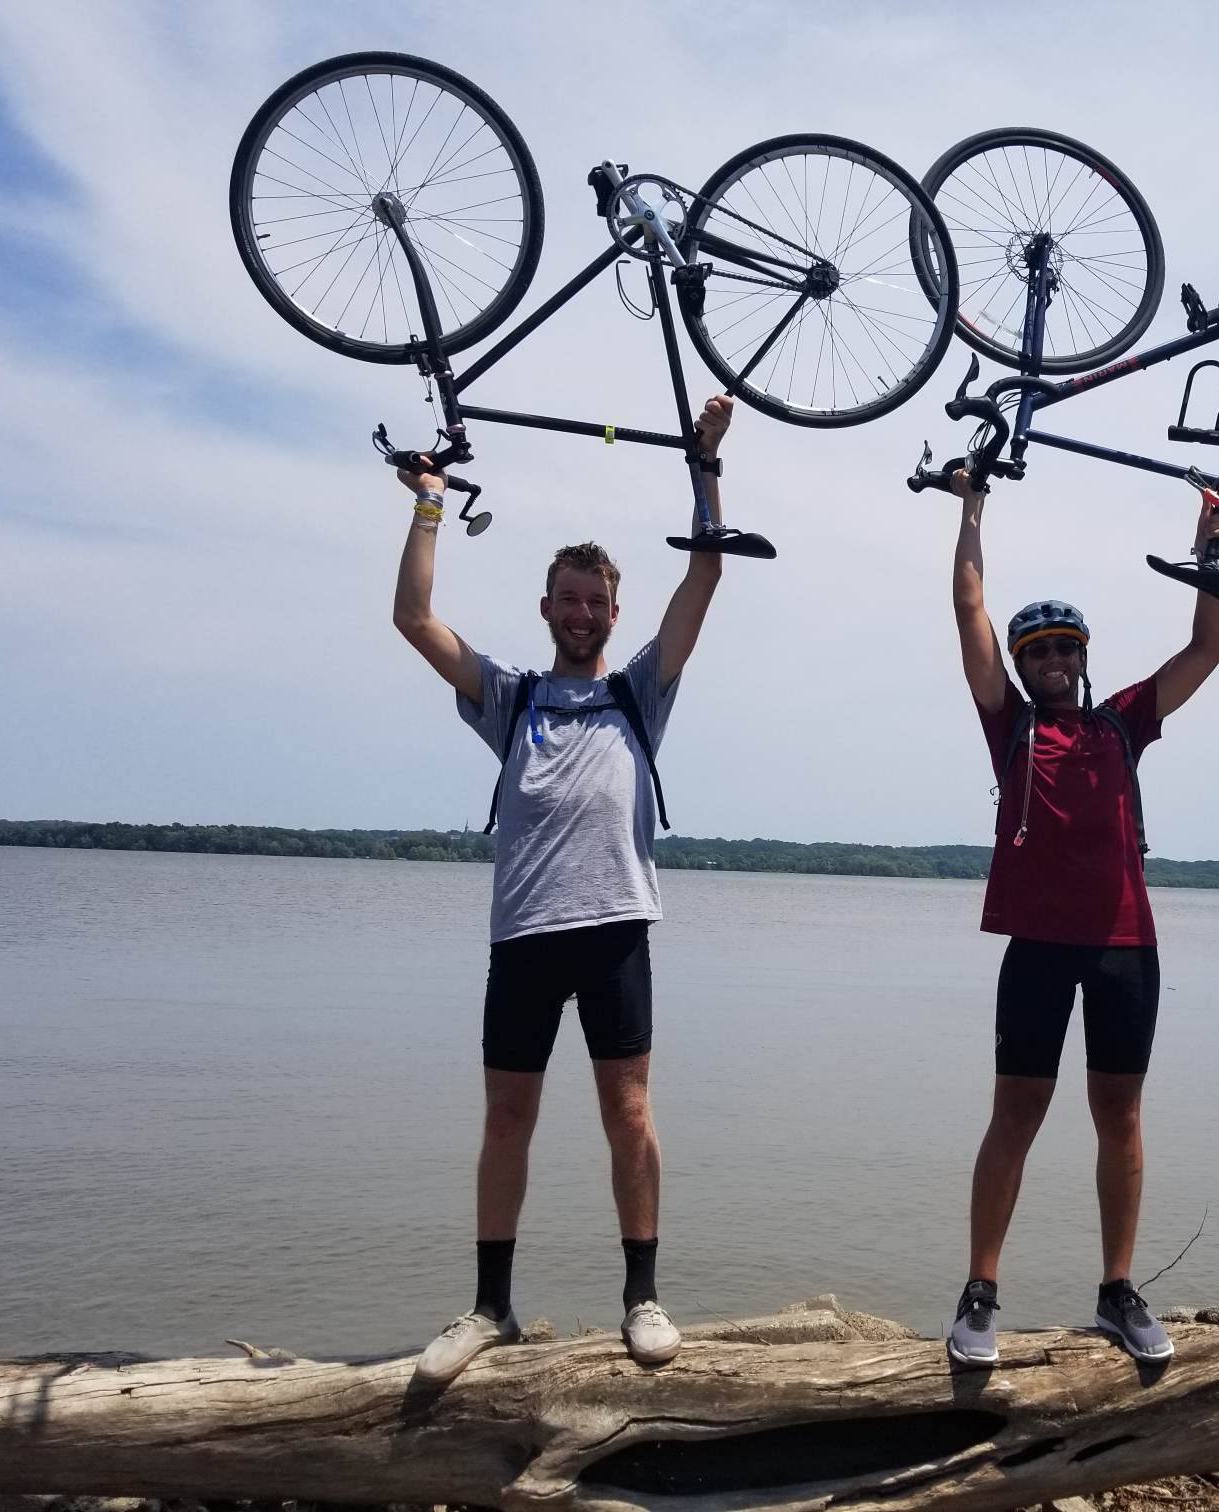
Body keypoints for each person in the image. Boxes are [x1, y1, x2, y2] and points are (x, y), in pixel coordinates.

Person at [391, 395, 737, 1381]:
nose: (582, 612)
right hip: (524, 939)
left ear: (612, 615)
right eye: (567, 599)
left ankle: (644, 1297)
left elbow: (706, 572)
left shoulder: (639, 691)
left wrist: (704, 464)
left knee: (629, 1115)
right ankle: (490, 1308)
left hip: (618, 930)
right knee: (508, 1120)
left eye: (596, 601)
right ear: (547, 608)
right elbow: (413, 619)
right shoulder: (511, 698)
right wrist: (427, 502)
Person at [943, 472, 1219, 1366]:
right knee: (1016, 1116)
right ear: (1024, 668)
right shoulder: (1012, 728)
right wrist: (970, 511)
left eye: (1066, 650)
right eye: (1037, 654)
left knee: (1121, 1115)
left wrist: (1212, 552)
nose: (1052, 664)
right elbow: (970, 613)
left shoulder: (1120, 724)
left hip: (1124, 949)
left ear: (1082, 657)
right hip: (1036, 950)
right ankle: (980, 1293)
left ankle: (1116, 1290)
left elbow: (1208, 647)